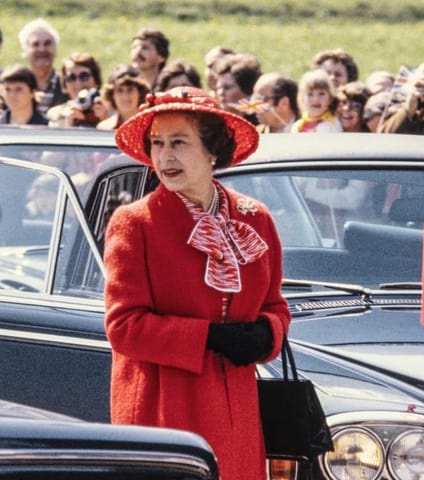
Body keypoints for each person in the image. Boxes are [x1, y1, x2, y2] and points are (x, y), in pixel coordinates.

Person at [104, 86, 290, 480]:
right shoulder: (134, 223)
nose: (165, 156)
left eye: (179, 142)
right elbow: (123, 328)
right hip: (161, 410)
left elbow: (276, 306)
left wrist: (266, 334)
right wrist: (207, 337)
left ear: (212, 151)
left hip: (235, 410)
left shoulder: (255, 218)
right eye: (157, 143)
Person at [18, 18, 67, 114]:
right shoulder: (13, 86)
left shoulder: (69, 83)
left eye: (47, 44)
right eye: (35, 44)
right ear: (24, 51)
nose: (42, 49)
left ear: (56, 49)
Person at [47, 52, 109, 128]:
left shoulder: (111, 111)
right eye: (71, 78)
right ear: (65, 85)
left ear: (96, 81)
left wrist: (105, 120)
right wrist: (68, 124)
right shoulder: (57, 114)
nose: (78, 83)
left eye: (84, 76)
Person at [97, 64, 150, 131]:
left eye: (130, 90)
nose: (125, 96)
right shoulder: (104, 128)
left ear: (140, 93)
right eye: (120, 90)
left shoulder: (150, 126)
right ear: (112, 95)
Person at [214, 52, 262, 124]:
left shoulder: (262, 123)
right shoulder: (213, 122)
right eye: (218, 88)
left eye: (227, 88)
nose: (220, 93)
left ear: (247, 90)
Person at [291, 68, 342, 133]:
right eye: (310, 94)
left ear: (330, 98)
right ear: (302, 99)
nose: (316, 99)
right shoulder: (298, 126)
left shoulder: (332, 124)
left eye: (321, 94)